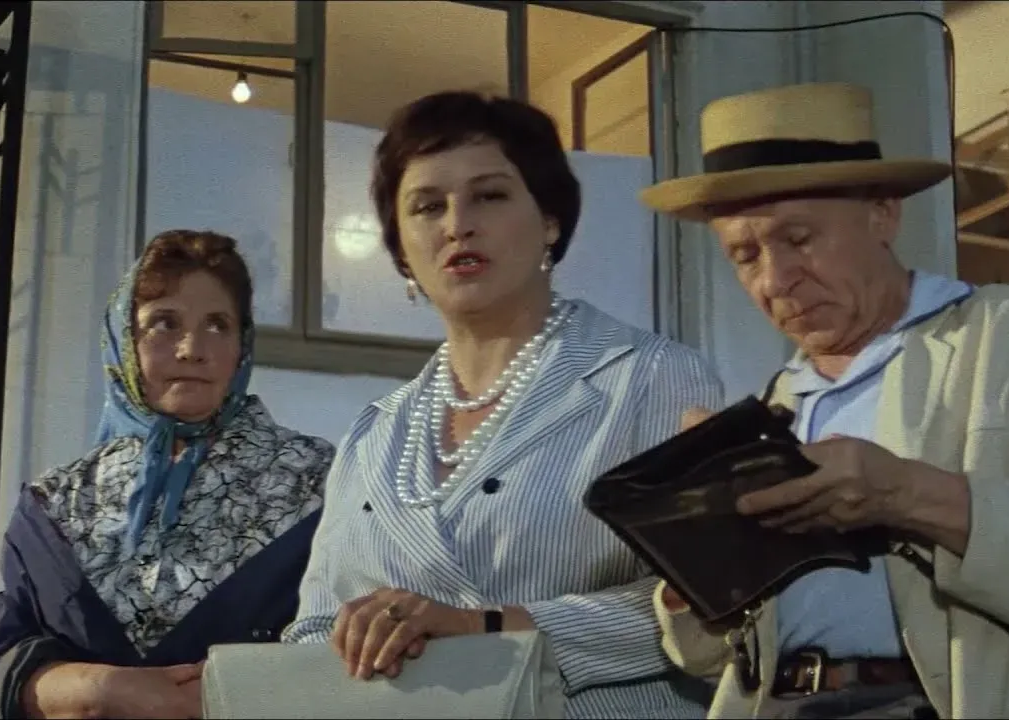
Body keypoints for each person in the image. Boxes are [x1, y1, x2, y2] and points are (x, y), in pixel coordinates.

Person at [639, 81, 1009, 718]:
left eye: (798, 238)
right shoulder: (779, 400)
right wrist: (693, 564)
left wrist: (903, 493)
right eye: (744, 255)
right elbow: (718, 659)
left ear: (883, 213)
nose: (774, 279)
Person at [281, 91, 726, 719]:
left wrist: (487, 627)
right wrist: (350, 643)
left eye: (489, 196)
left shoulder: (652, 378)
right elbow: (312, 627)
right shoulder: (374, 433)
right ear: (401, 250)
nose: (457, 224)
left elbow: (707, 608)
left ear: (549, 220)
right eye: (427, 206)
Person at [0, 230, 335, 719]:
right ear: (124, 340)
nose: (192, 348)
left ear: (242, 345)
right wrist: (108, 689)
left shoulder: (319, 481)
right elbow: (7, 662)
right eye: (164, 323)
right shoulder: (57, 502)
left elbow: (346, 658)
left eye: (218, 325)